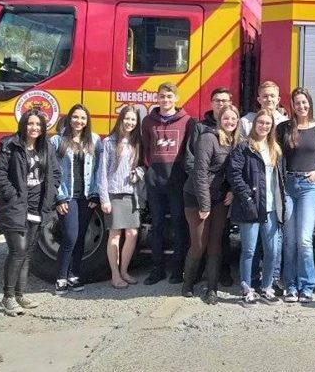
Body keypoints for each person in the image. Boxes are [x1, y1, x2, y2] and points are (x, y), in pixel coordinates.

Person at [0, 109, 61, 316]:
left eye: (38, 125)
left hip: (37, 205)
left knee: (28, 252)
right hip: (15, 206)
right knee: (18, 250)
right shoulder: (8, 144)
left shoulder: (45, 146)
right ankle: (8, 297)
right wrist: (11, 194)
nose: (34, 128)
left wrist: (51, 192)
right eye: (30, 124)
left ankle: (20, 294)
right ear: (23, 124)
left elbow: (55, 172)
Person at [276, 87, 315, 303]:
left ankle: (307, 286)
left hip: (310, 187)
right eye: (297, 103)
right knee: (289, 240)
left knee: (305, 240)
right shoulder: (283, 128)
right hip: (288, 185)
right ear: (292, 105)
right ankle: (290, 286)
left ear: (310, 103)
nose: (301, 106)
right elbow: (278, 156)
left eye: (304, 102)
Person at [228, 109, 287, 305]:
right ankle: (246, 288)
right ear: (255, 125)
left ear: (272, 127)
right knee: (249, 250)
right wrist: (246, 198)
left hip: (271, 208)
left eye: (267, 124)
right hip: (251, 207)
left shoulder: (275, 149)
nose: (264, 126)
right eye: (260, 123)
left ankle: (266, 287)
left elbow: (280, 180)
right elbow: (234, 175)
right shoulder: (243, 147)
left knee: (272, 251)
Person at [182, 104, 239, 303]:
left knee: (216, 243)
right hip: (196, 197)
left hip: (220, 198)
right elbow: (199, 173)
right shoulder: (208, 138)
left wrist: (231, 190)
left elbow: (236, 171)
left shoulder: (235, 141)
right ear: (219, 120)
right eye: (226, 118)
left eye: (233, 119)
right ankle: (187, 283)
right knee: (199, 244)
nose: (230, 122)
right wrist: (204, 205)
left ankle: (212, 288)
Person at [238, 80, 288, 292]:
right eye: (265, 96)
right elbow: (238, 160)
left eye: (272, 96)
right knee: (251, 247)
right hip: (253, 197)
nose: (269, 99)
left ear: (278, 99)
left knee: (273, 246)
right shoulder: (246, 122)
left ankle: (271, 280)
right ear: (258, 99)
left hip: (273, 198)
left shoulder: (285, 123)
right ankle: (248, 285)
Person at [142, 82, 195, 285]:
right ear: (157, 98)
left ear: (176, 99)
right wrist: (151, 170)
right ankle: (157, 270)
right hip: (155, 183)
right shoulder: (148, 121)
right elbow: (146, 149)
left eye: (169, 96)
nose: (166, 100)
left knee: (179, 226)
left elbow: (188, 151)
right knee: (157, 226)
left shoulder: (187, 121)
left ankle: (177, 270)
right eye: (162, 96)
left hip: (177, 183)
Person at [49, 104, 102, 295]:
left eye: (83, 118)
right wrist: (59, 198)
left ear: (87, 121)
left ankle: (74, 275)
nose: (79, 121)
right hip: (67, 196)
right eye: (75, 117)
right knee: (70, 236)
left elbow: (99, 169)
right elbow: (51, 171)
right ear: (69, 118)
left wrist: (96, 193)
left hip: (87, 197)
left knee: (80, 238)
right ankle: (61, 277)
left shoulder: (94, 140)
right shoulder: (57, 141)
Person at [97, 105, 144, 289]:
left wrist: (137, 174)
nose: (130, 122)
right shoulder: (109, 142)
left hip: (131, 193)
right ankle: (115, 275)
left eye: (133, 120)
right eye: (127, 119)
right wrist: (104, 199)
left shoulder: (136, 143)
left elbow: (142, 166)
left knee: (132, 233)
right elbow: (101, 173)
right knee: (115, 235)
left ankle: (124, 270)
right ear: (121, 119)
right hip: (114, 193)